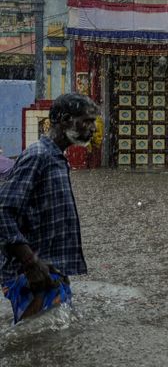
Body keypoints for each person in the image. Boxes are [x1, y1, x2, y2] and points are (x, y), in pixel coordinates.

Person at [0, 93, 98, 323]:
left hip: (49, 272)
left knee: (50, 345)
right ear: (64, 120)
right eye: (87, 121)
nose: (93, 128)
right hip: (33, 276)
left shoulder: (56, 158)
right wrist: (31, 263)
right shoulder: (38, 157)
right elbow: (3, 210)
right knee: (30, 339)